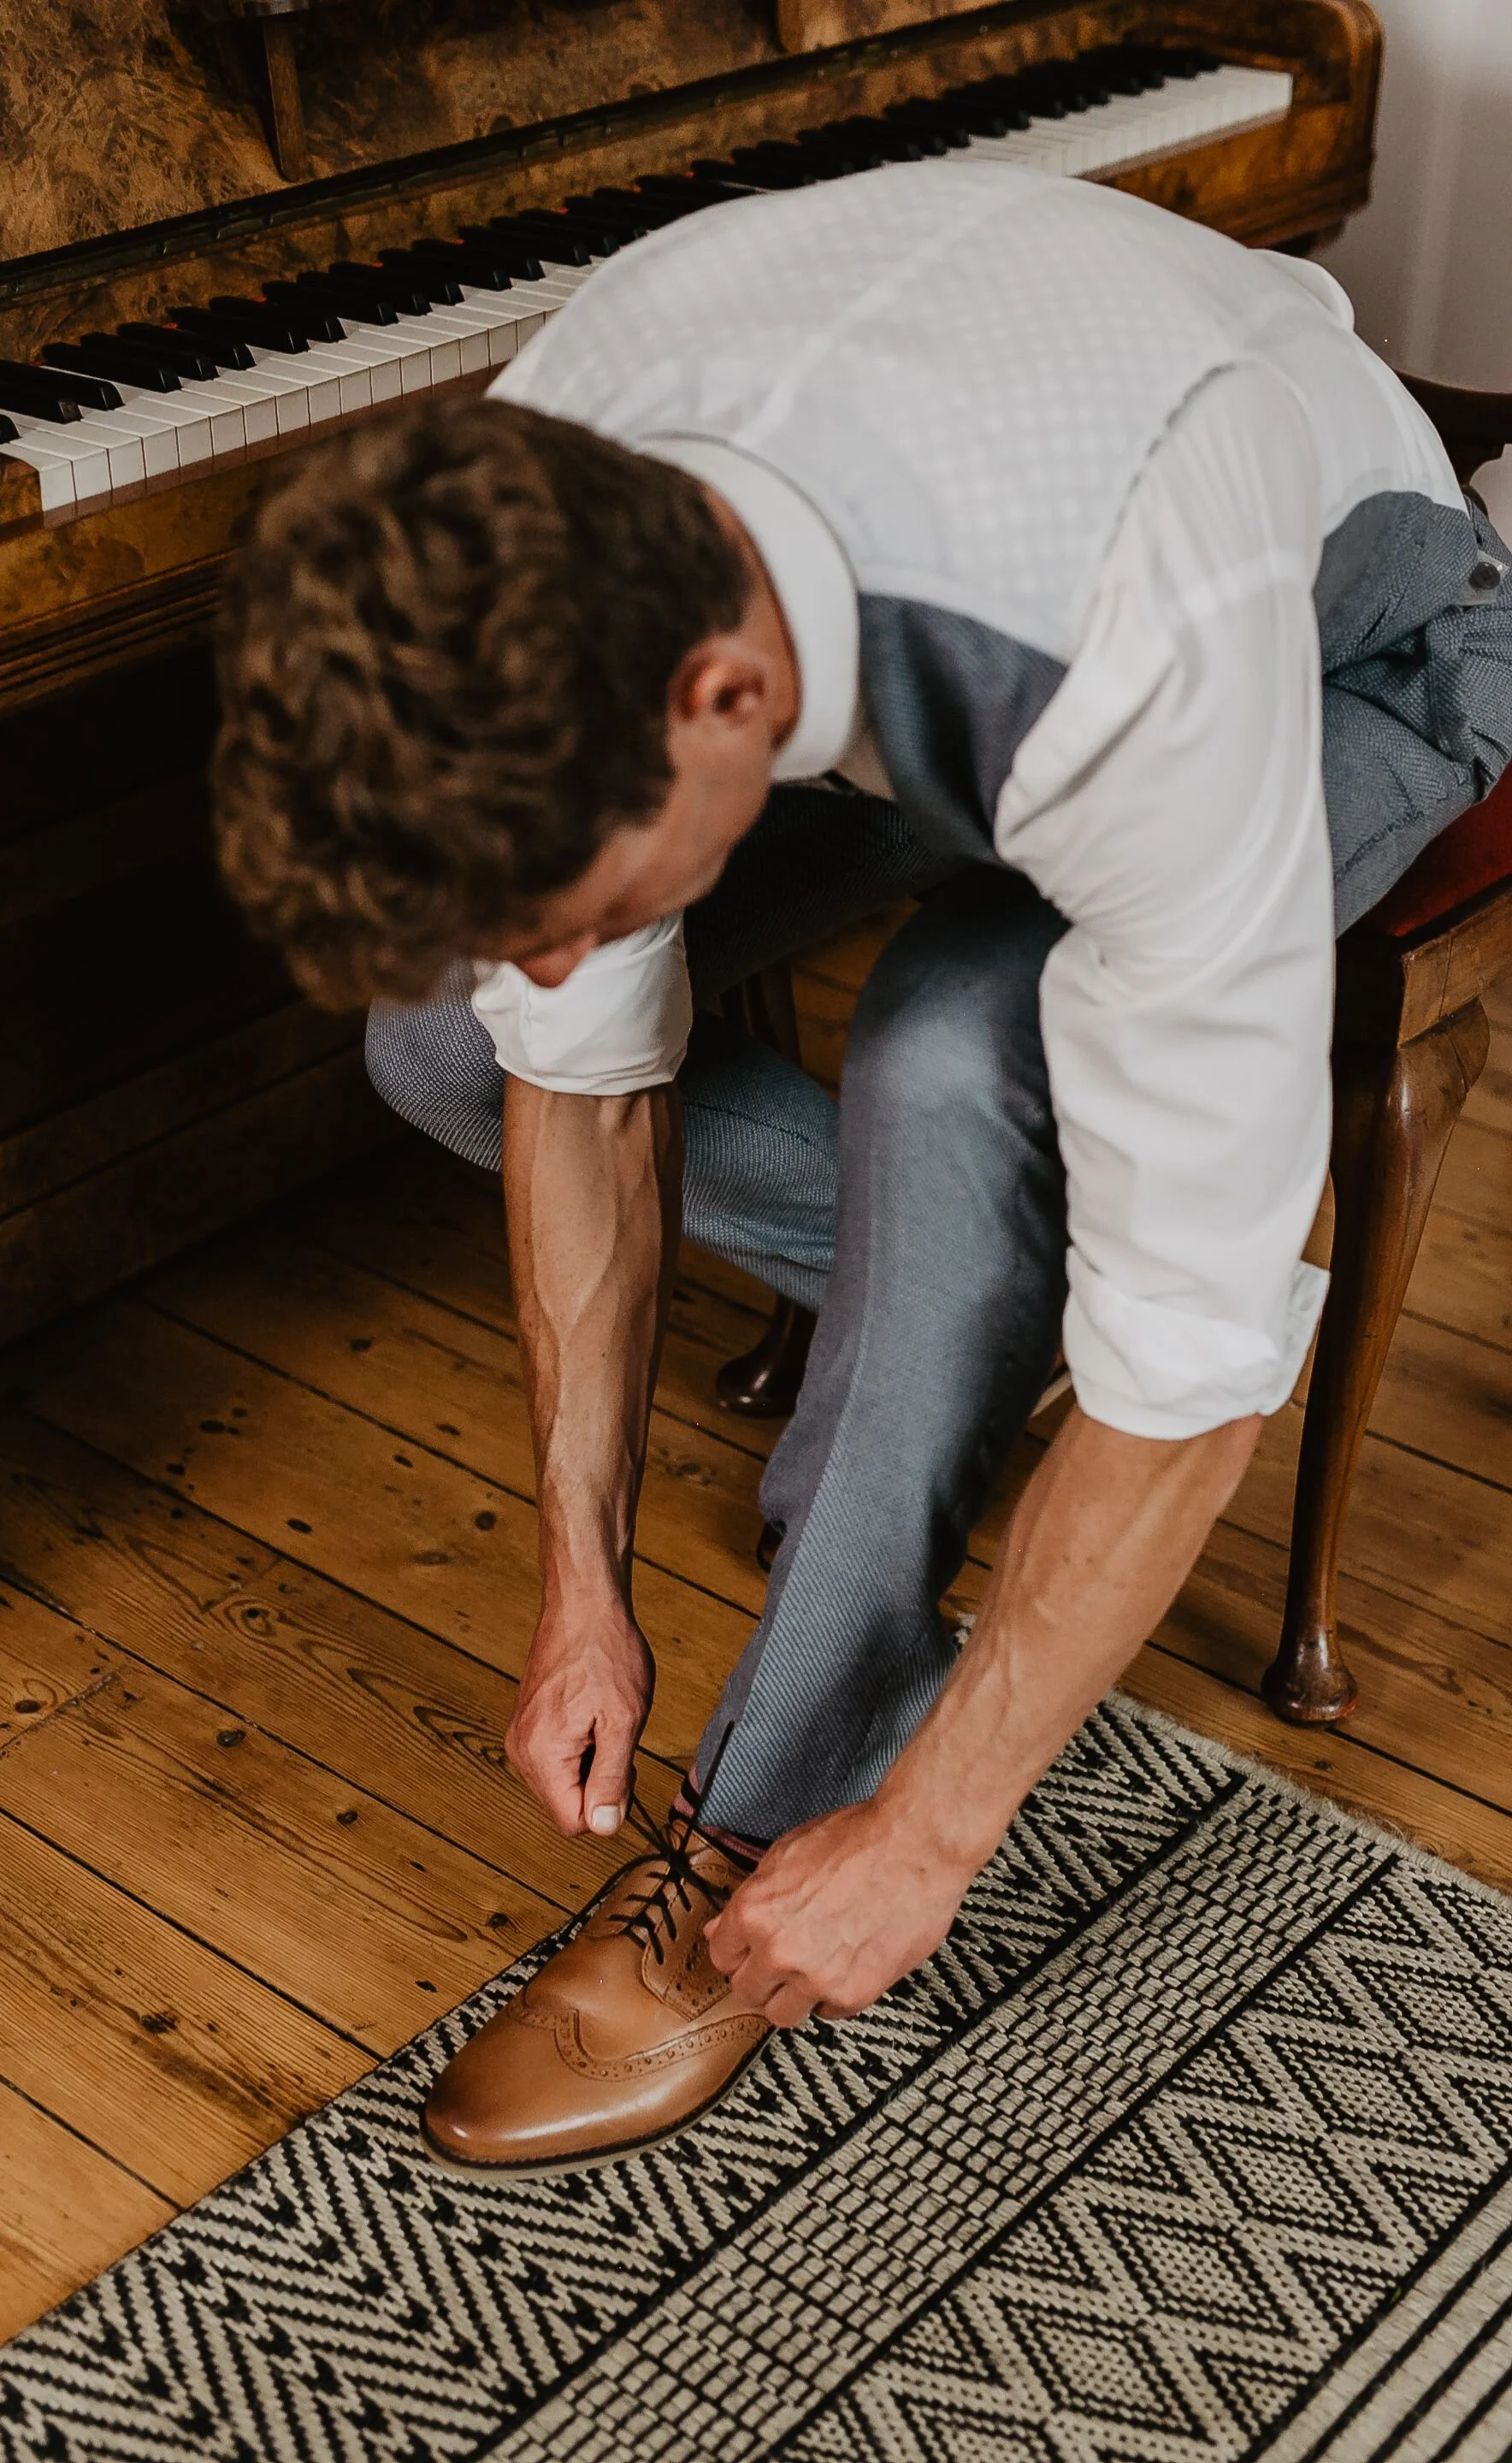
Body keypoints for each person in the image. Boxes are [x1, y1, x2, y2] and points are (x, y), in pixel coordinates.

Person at [213, 160, 1512, 2175]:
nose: (556, 957)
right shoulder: (551, 500)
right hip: (927, 623)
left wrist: (932, 1832)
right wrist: (584, 1580)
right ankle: (973, 1303)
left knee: (943, 1055)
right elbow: (564, 1057)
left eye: (569, 909)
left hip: (1358, 643)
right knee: (448, 1046)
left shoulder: (1130, 653)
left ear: (718, 706)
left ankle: (764, 1823)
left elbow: (1194, 1380)